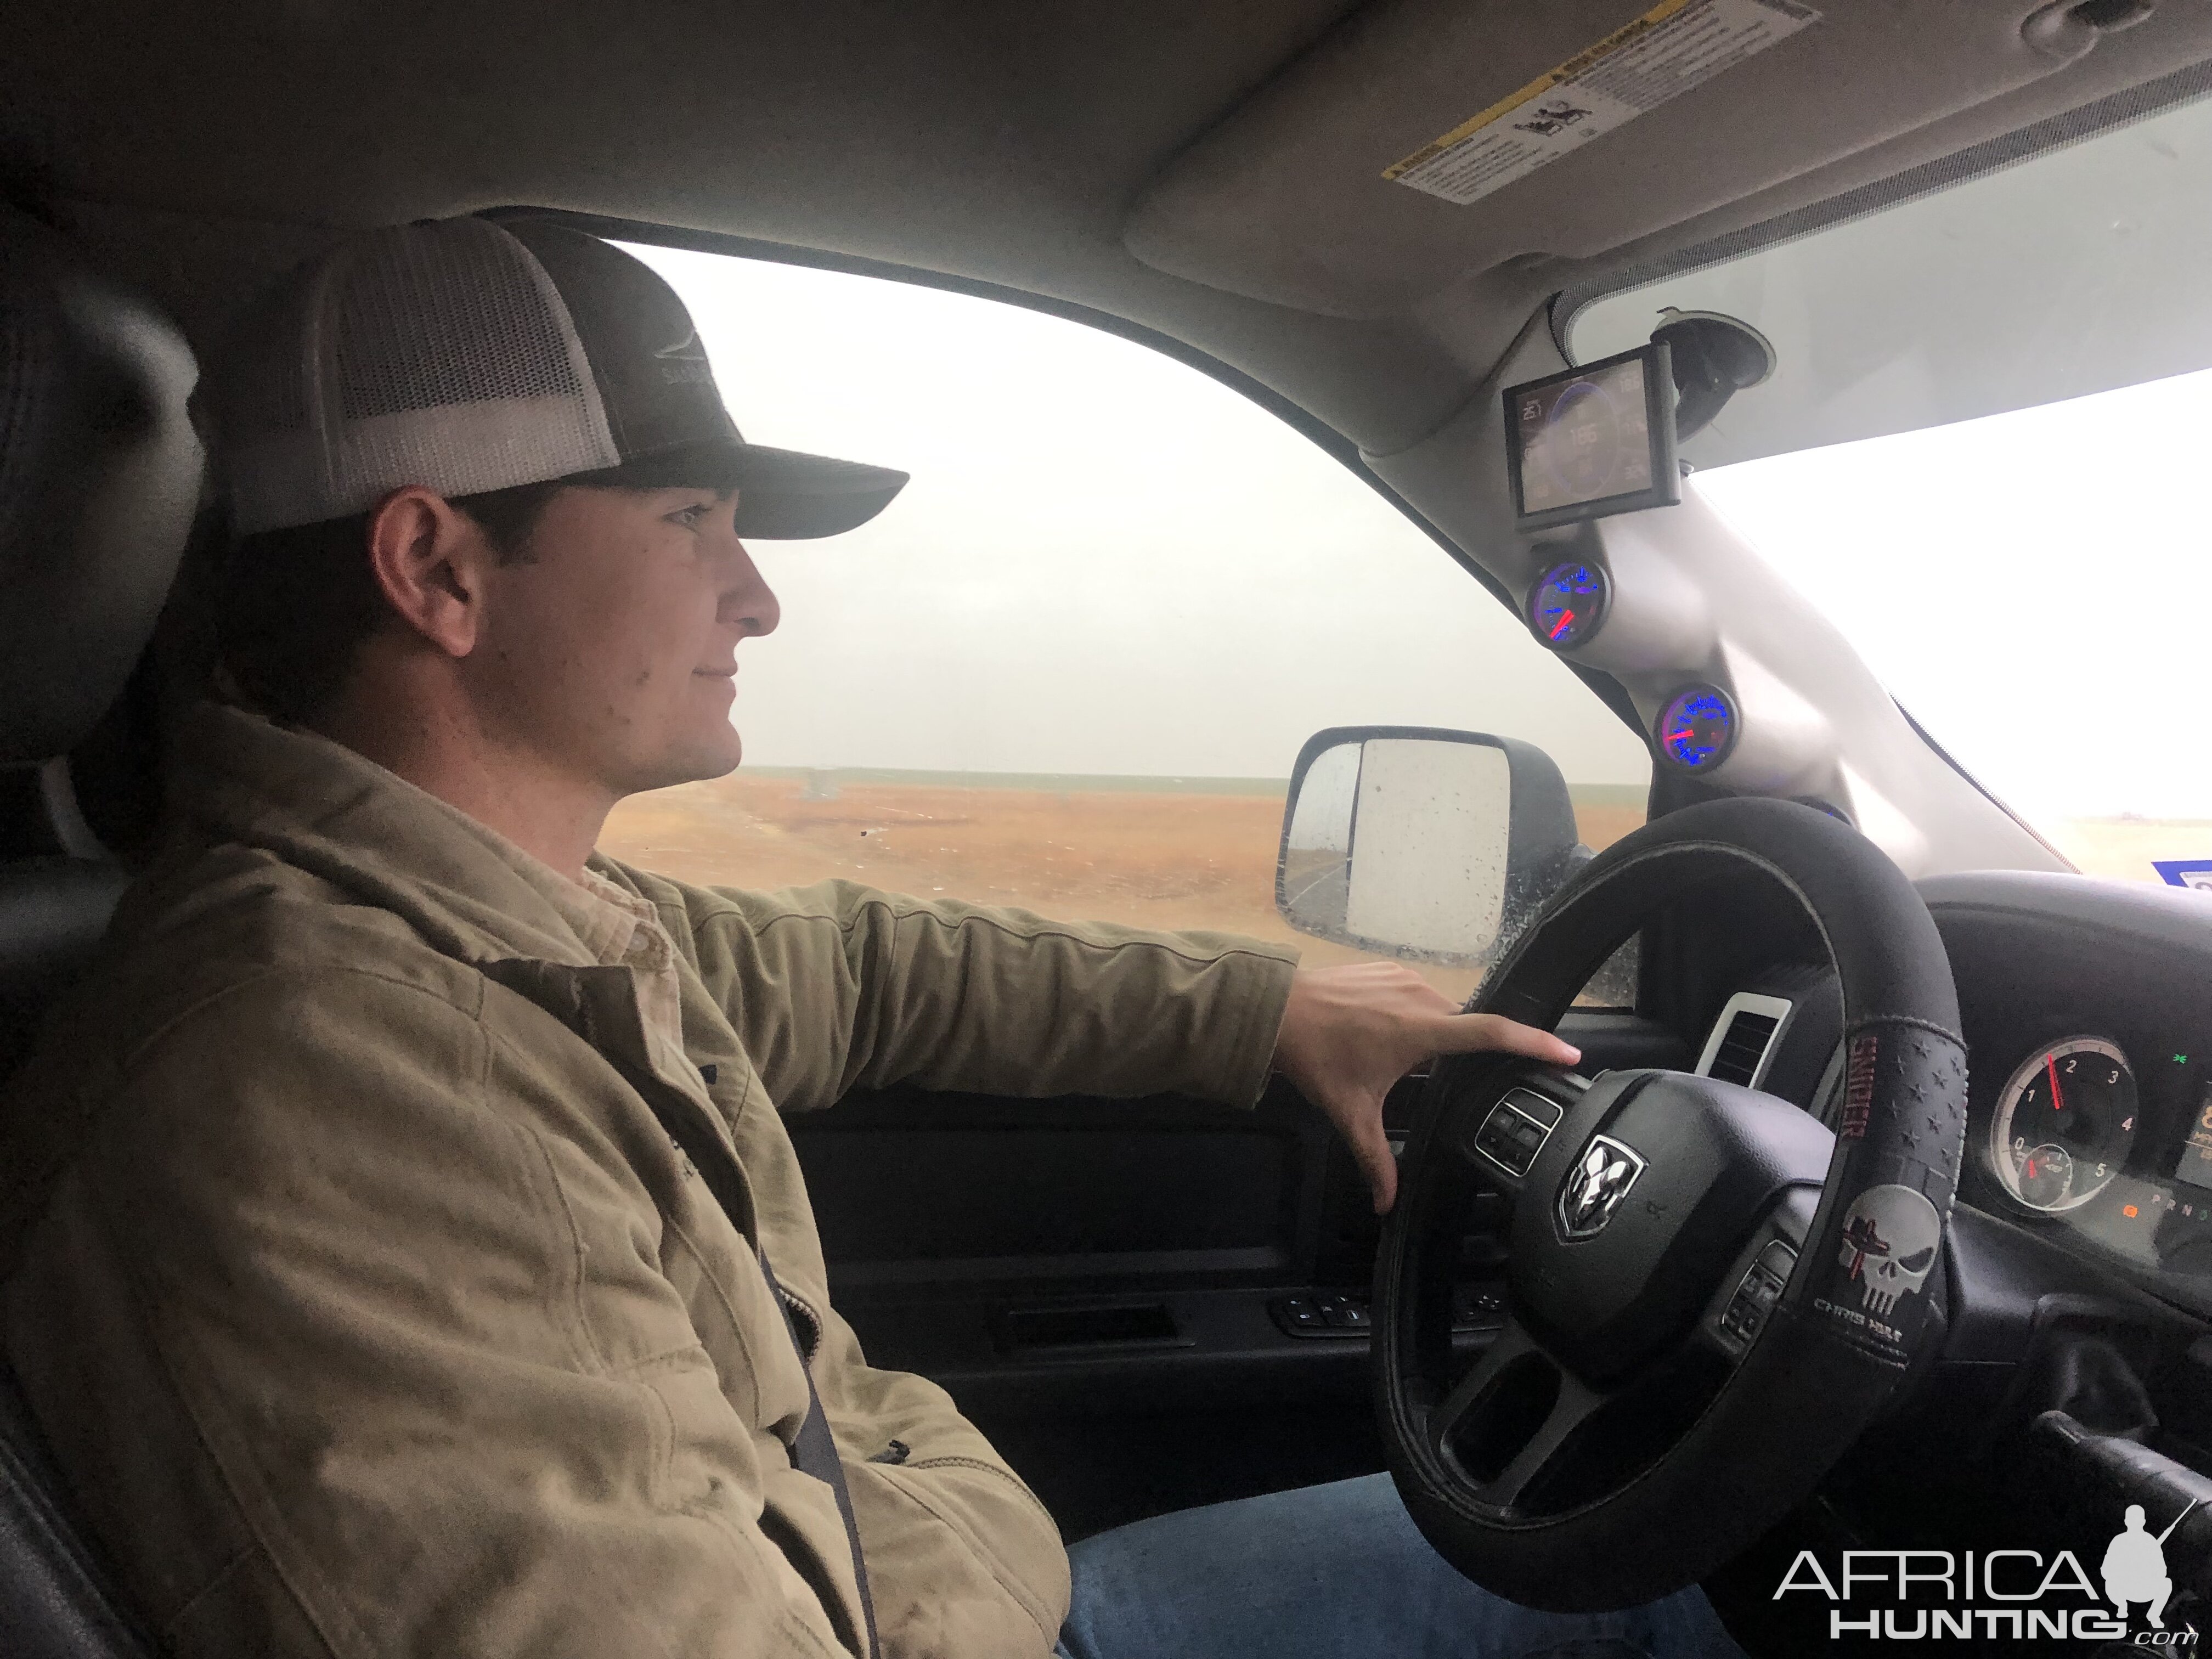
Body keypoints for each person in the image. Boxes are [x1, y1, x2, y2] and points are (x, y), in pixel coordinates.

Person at [0, 218, 1743, 1659]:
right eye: (691, 520)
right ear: (438, 569)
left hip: (923, 1589)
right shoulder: (329, 1089)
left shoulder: (481, 931)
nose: (755, 594)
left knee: (1604, 1542)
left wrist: (1258, 1011)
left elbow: (862, 966)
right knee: (1642, 1577)